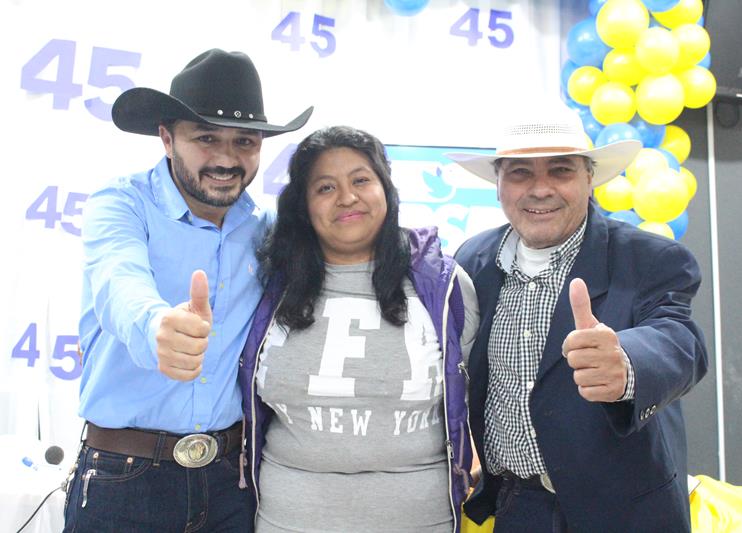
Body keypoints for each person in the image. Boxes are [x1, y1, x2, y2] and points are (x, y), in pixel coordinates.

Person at [64, 49, 313, 532]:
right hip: (124, 481)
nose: (226, 158)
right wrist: (157, 325)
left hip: (231, 482)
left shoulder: (268, 231)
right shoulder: (121, 204)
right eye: (206, 138)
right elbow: (120, 281)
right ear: (166, 138)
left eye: (244, 141)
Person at [447, 103, 708, 532]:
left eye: (561, 171)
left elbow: (681, 341)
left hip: (624, 512)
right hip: (518, 508)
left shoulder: (650, 259)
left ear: (589, 180)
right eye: (520, 173)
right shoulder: (471, 259)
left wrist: (626, 362)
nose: (540, 189)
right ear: (498, 185)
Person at [237, 125, 479, 532]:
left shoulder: (444, 285)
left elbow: (472, 391)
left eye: (361, 180)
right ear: (304, 206)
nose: (347, 197)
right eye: (325, 188)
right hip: (288, 521)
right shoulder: (269, 284)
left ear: (386, 188)